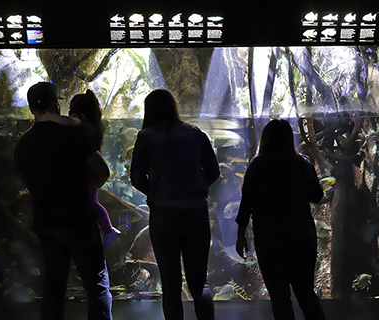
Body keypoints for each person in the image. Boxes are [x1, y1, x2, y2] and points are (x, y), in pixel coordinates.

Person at [14, 82, 112, 320]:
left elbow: (26, 183)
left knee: (53, 288)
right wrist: (89, 187)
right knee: (96, 284)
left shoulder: (23, 144)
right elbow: (102, 170)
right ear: (56, 104)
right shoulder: (72, 133)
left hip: (46, 223)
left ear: (30, 108)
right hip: (78, 219)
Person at [130, 89, 220, 320]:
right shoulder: (196, 134)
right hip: (195, 213)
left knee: (170, 283)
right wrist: (196, 191)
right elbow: (214, 171)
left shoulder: (146, 137)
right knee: (200, 282)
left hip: (163, 215)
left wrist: (158, 194)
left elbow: (137, 179)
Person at [235, 119, 326, 320]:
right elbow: (317, 196)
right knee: (306, 294)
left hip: (270, 237)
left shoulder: (257, 166)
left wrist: (241, 235)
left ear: (265, 139)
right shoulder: (302, 163)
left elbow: (246, 203)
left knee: (279, 297)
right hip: (302, 235)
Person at [44, 89, 121, 249]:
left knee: (92, 202)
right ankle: (107, 230)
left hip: (84, 171)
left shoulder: (78, 119)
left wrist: (51, 117)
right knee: (93, 201)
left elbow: (71, 122)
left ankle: (109, 230)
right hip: (90, 169)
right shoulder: (93, 125)